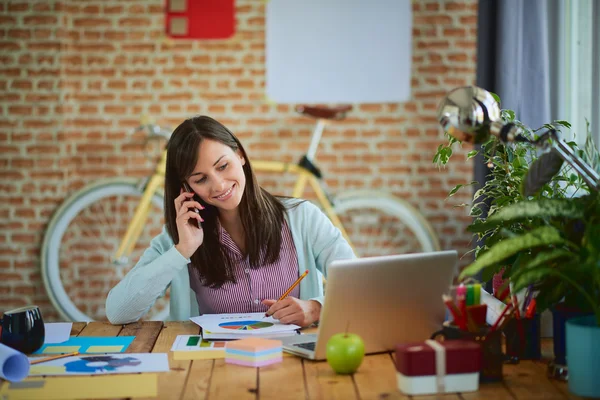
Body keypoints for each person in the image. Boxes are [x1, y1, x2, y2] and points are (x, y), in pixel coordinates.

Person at [106, 115, 356, 326]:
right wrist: (182, 251)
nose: (219, 185)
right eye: (200, 179)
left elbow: (360, 286)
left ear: (240, 156)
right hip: (211, 369)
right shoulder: (180, 237)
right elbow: (118, 312)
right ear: (186, 188)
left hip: (293, 364)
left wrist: (316, 309)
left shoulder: (303, 218)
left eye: (223, 166)